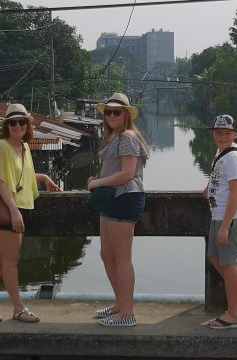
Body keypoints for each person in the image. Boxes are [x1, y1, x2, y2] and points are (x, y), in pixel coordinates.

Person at [0, 103, 61, 323]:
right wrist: (14, 212)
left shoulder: (23, 147)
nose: (17, 126)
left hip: (17, 208)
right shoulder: (2, 147)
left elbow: (21, 177)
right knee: (11, 262)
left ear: (27, 125)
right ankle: (18, 309)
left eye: (21, 122)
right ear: (6, 126)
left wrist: (43, 178)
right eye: (12, 122)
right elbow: (2, 182)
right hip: (7, 209)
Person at [87, 93, 150, 327]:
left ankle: (127, 314)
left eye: (117, 111)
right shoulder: (113, 136)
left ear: (126, 115)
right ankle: (120, 304)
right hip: (112, 197)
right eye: (108, 112)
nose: (112, 115)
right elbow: (115, 170)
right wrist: (99, 178)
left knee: (122, 259)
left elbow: (128, 173)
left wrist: (97, 183)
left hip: (125, 197)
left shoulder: (128, 136)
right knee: (107, 255)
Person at [202, 114, 237, 330]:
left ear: (235, 134)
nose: (222, 137)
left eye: (227, 133)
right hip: (219, 214)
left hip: (230, 217)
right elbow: (219, 178)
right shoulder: (222, 152)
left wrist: (225, 226)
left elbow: (236, 193)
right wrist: (208, 189)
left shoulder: (233, 158)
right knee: (214, 256)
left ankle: (234, 314)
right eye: (218, 133)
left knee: (228, 263)